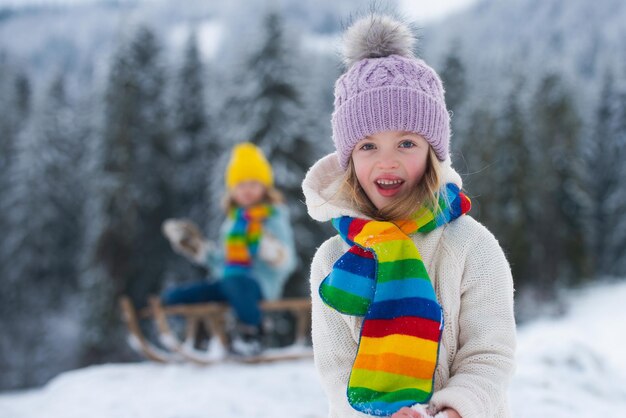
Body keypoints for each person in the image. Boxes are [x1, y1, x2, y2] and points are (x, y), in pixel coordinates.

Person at [302, 15, 516, 418]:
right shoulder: (332, 261)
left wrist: (455, 409)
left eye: (405, 142)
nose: (388, 161)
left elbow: (490, 354)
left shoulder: (470, 245)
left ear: (432, 153)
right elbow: (336, 370)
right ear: (348, 160)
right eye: (367, 146)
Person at [162, 142, 297, 355]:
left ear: (265, 187)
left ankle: (253, 333)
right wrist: (199, 249)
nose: (247, 190)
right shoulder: (232, 222)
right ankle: (197, 336)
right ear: (232, 190)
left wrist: (269, 249)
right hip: (227, 281)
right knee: (175, 296)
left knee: (236, 283)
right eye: (241, 184)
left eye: (254, 183)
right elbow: (222, 261)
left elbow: (288, 261)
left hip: (258, 285)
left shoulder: (273, 217)